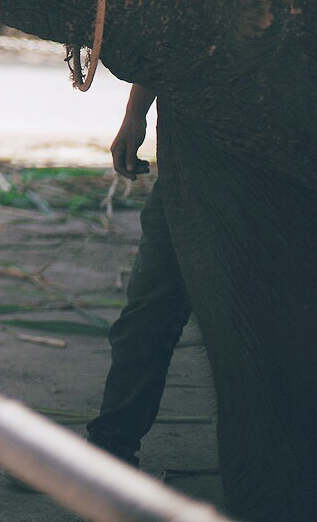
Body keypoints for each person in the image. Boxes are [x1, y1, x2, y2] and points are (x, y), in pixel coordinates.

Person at [85, 83, 193, 469]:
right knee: (147, 314)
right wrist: (136, 113)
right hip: (191, 172)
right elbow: (165, 36)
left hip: (273, 168)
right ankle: (111, 445)